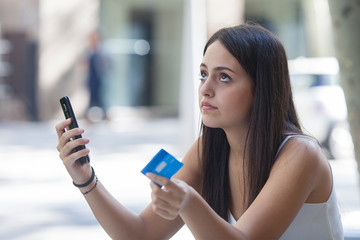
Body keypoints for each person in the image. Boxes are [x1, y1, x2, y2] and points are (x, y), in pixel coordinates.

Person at [56, 22, 343, 239]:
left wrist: (189, 202)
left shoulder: (299, 154)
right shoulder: (208, 149)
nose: (205, 89)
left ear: (261, 90)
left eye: (224, 78)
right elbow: (141, 234)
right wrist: (85, 179)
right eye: (204, 74)